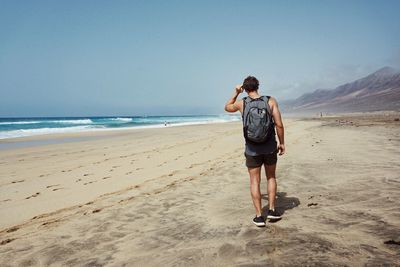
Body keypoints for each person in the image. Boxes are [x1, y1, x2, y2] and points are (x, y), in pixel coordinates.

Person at [224, 76, 285, 227]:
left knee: (254, 181)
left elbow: (227, 107)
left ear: (245, 88)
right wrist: (282, 143)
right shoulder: (270, 101)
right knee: (271, 177)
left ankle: (259, 216)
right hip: (270, 146)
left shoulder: (242, 103)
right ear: (258, 86)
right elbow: (279, 124)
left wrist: (236, 93)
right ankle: (271, 210)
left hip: (251, 148)